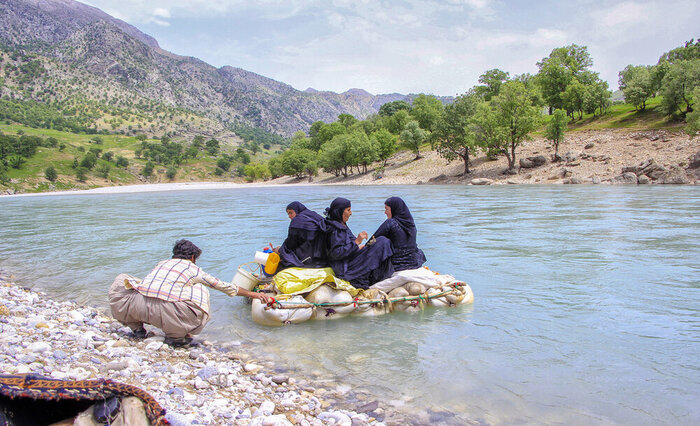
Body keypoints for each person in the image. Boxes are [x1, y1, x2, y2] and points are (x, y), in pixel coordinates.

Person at [109, 239, 271, 347]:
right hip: (165, 314)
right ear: (193, 257)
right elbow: (224, 286)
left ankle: (137, 329)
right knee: (200, 289)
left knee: (125, 279)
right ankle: (176, 336)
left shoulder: (162, 263)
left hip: (135, 307)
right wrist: (254, 294)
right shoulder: (193, 269)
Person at [324, 197, 394, 289]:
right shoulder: (334, 229)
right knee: (382, 243)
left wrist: (359, 246)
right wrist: (357, 242)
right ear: (340, 211)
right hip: (345, 267)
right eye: (348, 210)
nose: (350, 213)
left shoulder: (342, 224)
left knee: (380, 241)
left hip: (351, 257)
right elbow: (335, 253)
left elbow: (349, 243)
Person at [372, 196, 427, 271]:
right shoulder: (411, 224)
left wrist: (363, 248)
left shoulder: (390, 223)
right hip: (413, 263)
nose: (385, 212)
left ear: (394, 209)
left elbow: (374, 239)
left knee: (381, 242)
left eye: (386, 209)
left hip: (397, 265)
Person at [275, 201, 329, 269]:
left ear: (297, 210)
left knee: (284, 259)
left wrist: (280, 249)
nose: (289, 216)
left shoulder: (297, 221)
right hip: (323, 253)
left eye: (291, 213)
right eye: (288, 214)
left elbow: (291, 242)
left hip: (312, 256)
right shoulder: (313, 215)